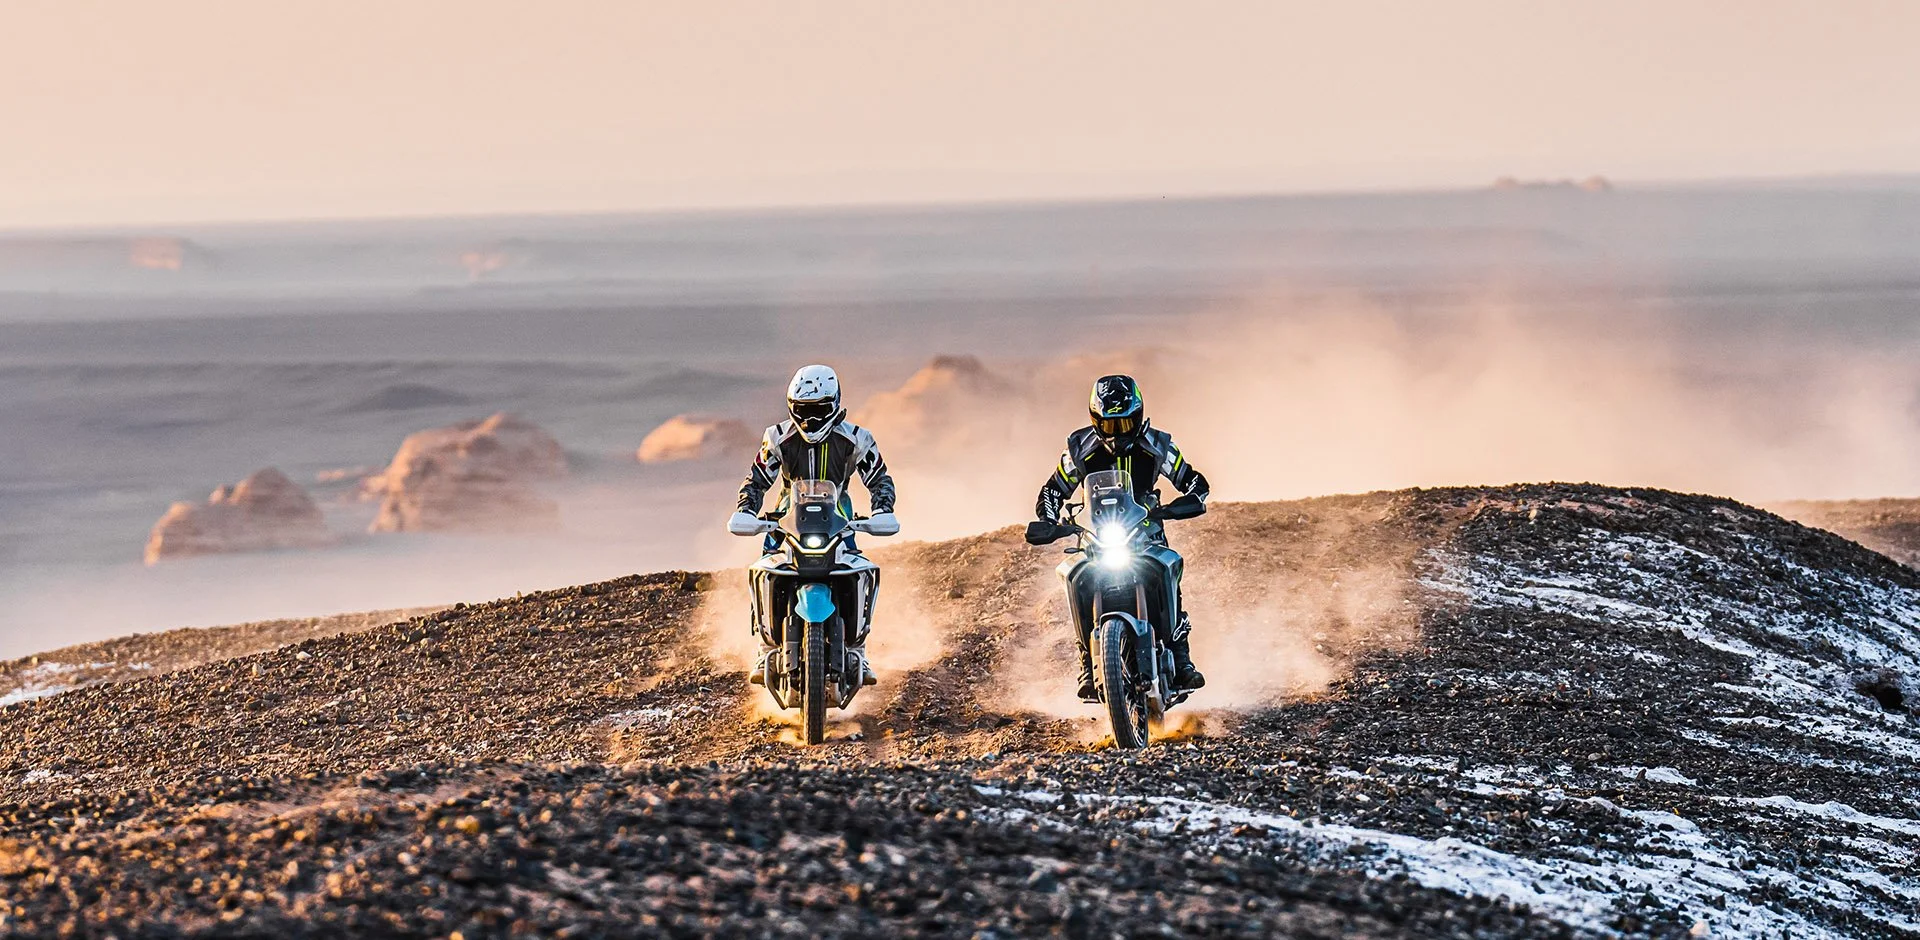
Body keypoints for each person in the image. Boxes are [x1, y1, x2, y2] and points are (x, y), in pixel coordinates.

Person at [1035, 374, 1208, 699]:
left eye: (1126, 423)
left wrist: (1190, 501)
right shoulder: (1078, 449)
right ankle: (1088, 663)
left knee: (1169, 570)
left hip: (1146, 532)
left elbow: (1194, 480)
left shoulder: (1159, 445)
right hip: (1097, 537)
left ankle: (1182, 659)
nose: (1119, 433)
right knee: (1073, 577)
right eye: (1111, 425)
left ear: (1139, 415)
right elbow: (1052, 491)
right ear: (1096, 420)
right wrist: (1048, 520)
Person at [731, 364, 898, 683]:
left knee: (860, 571)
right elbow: (756, 480)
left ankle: (859, 651)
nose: (810, 419)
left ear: (834, 405)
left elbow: (879, 480)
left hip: (840, 521)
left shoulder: (856, 439)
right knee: (763, 570)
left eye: (818, 410)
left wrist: (882, 511)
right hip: (786, 520)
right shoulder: (777, 437)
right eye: (802, 410)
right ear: (791, 407)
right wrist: (746, 510)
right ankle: (765, 648)